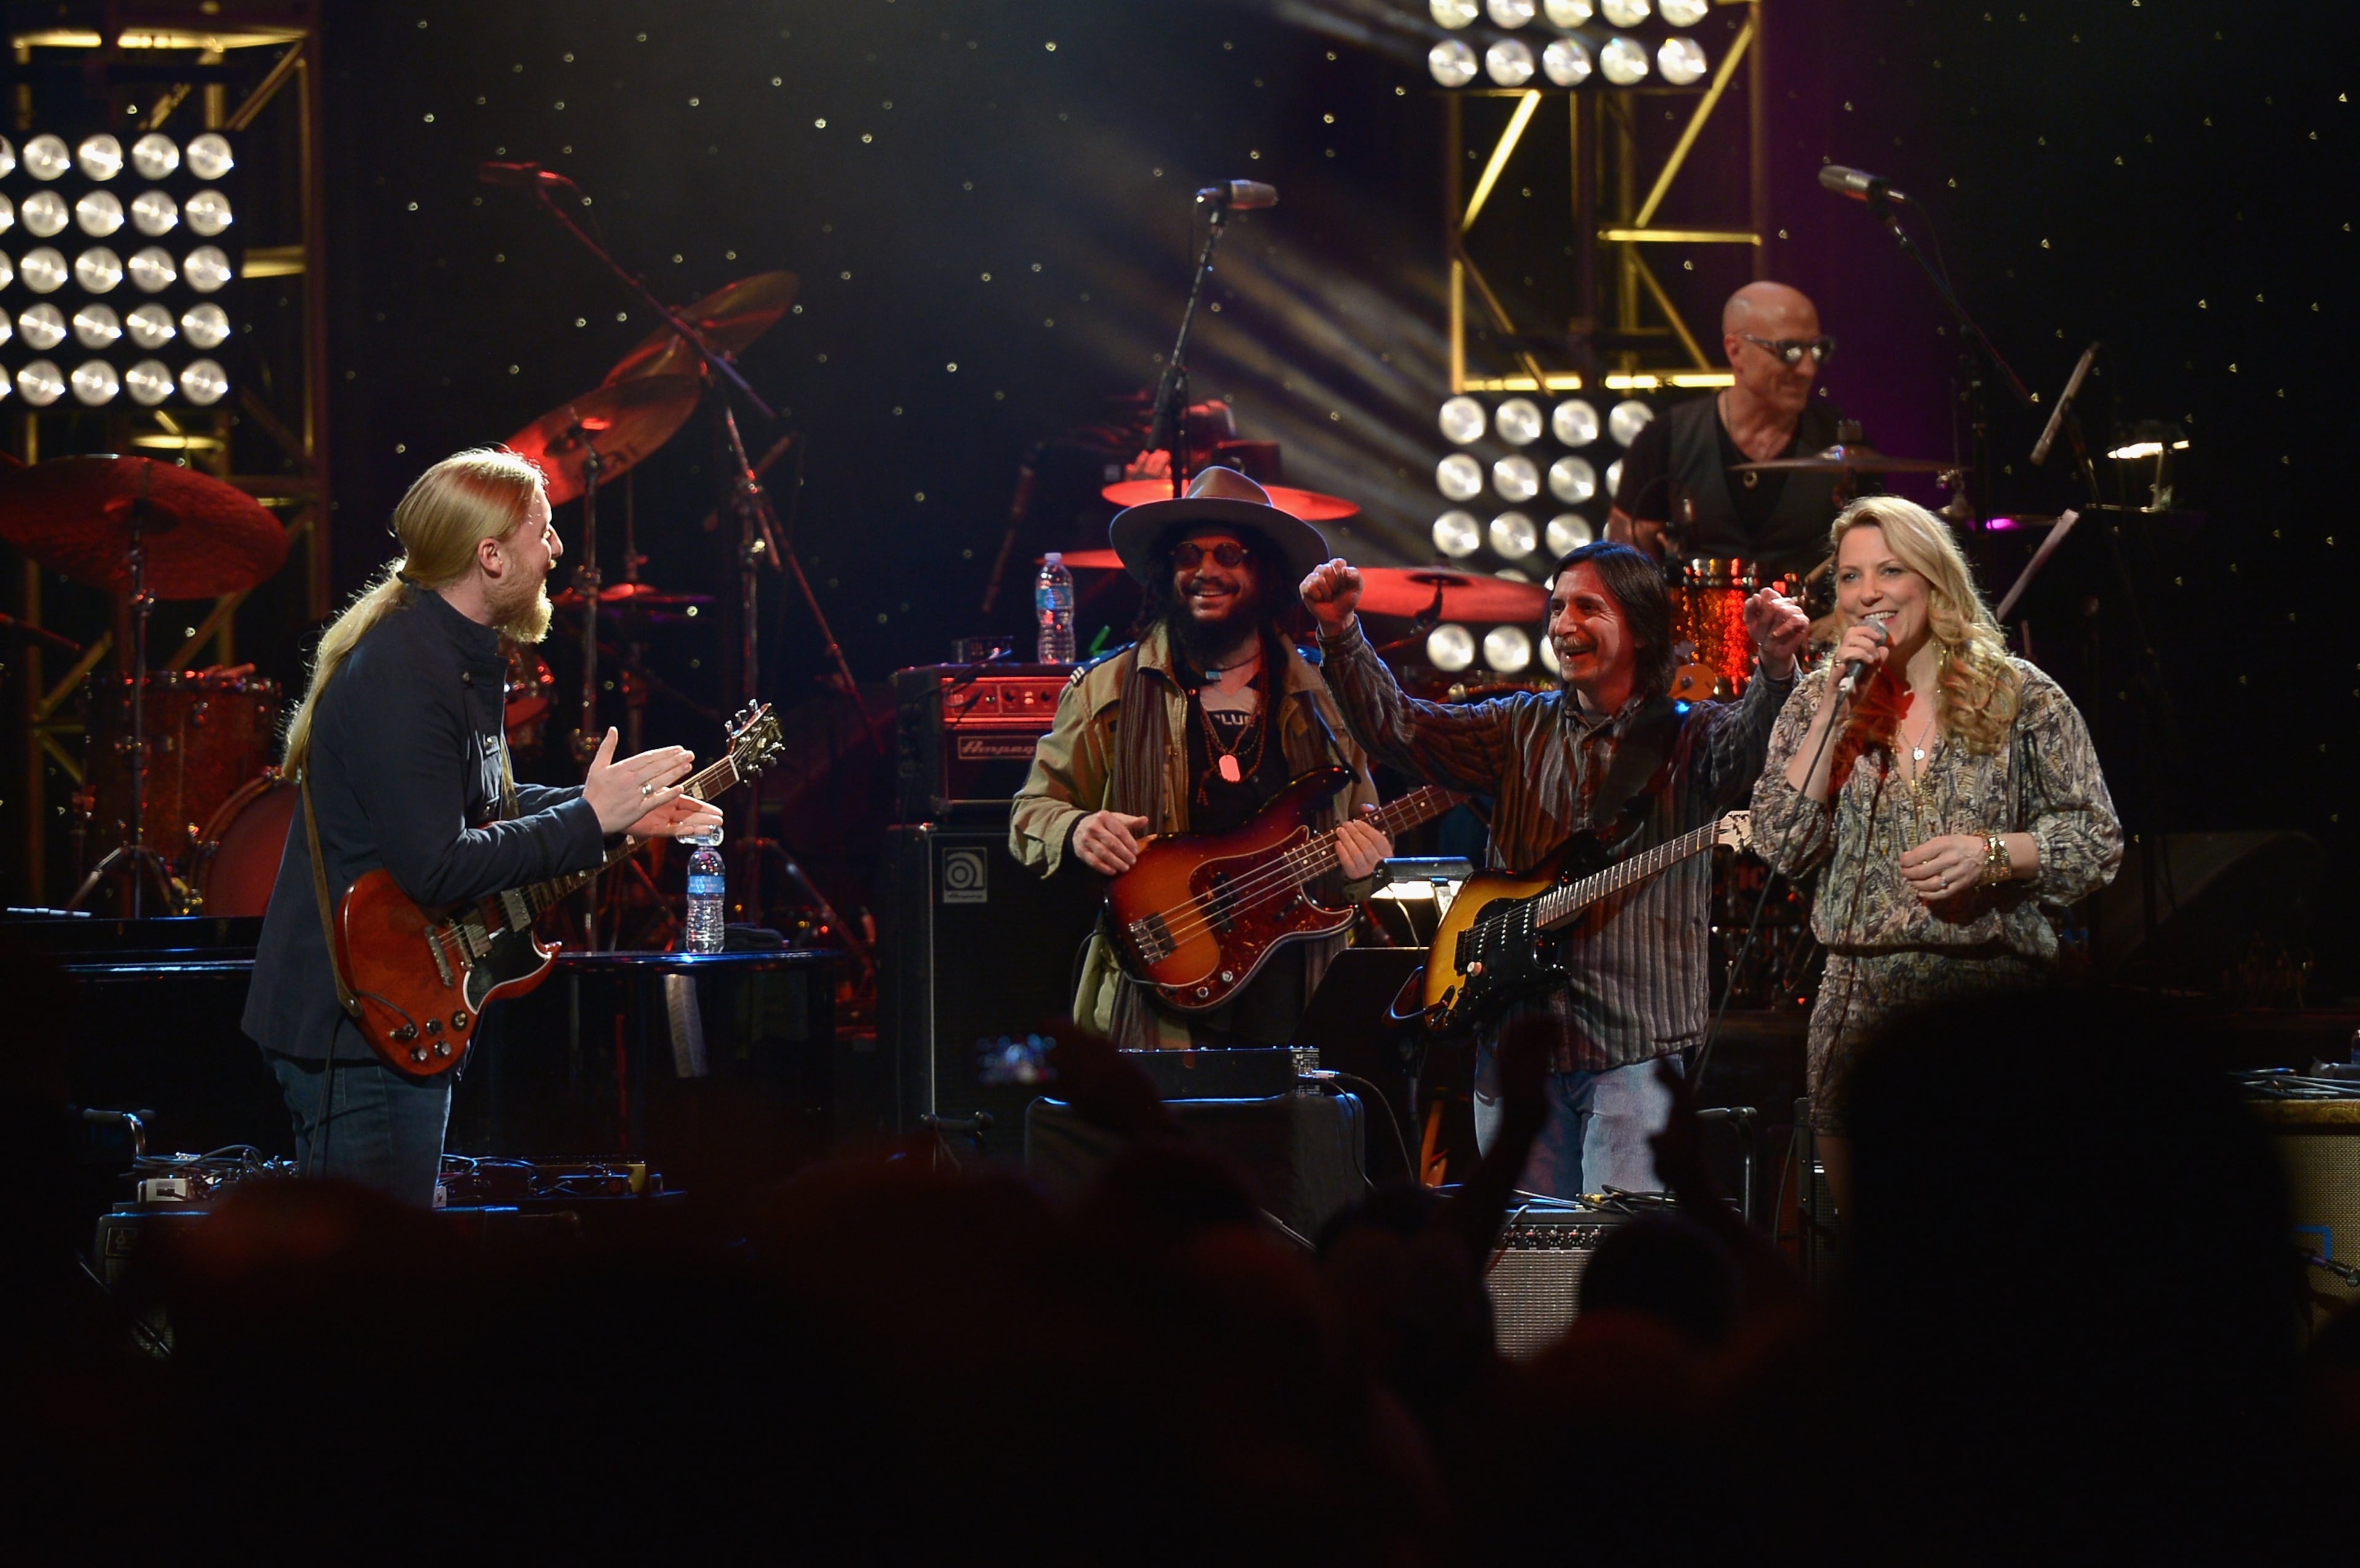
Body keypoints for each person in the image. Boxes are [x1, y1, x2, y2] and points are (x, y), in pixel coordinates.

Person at [243, 449, 721, 1205]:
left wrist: (615, 812)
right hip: (356, 1021)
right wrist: (587, 820)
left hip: (394, 999)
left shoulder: (453, 653)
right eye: (545, 531)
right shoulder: (406, 669)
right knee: (369, 1288)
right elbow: (435, 863)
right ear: (490, 556)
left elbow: (477, 805)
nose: (557, 550)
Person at [1301, 543, 1811, 1198]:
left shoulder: (1692, 735)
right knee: (1532, 1281)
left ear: (1643, 628)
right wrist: (1343, 634)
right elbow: (1401, 727)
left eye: (1588, 607)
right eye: (1557, 606)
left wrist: (1774, 667)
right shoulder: (1517, 725)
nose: (1563, 625)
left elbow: (1758, 747)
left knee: (1614, 1269)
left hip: (1633, 1051)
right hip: (1518, 1051)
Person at [1748, 495, 2122, 1216]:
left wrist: (1994, 853)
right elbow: (1782, 842)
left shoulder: (2021, 693)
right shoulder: (1816, 704)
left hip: (1995, 1001)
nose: (1869, 593)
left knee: (2002, 1242)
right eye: (1851, 578)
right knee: (1883, 1263)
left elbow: (2096, 842)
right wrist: (1830, 703)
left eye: (1891, 569)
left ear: (1934, 578)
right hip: (1861, 1005)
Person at [1011, 467, 1392, 1051]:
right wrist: (1077, 828)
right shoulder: (1107, 689)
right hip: (1159, 1002)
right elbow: (1030, 814)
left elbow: (1358, 838)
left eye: (1230, 554)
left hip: (1295, 999)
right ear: (1168, 570)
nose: (1207, 570)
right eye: (1189, 554)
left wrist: (1364, 867)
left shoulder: (1325, 695)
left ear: (1263, 571)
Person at [1605, 281, 1865, 577]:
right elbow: (1626, 565)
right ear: (1736, 350)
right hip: (1697, 620)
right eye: (1789, 351)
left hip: (1812, 621)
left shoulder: (1843, 441)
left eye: (1818, 351)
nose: (1808, 369)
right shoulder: (1667, 437)